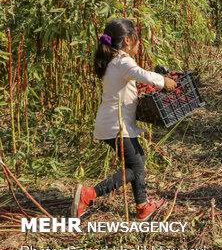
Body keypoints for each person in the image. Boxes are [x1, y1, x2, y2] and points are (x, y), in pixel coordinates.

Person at [71, 18, 177, 220]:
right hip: (116, 126)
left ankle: (142, 206)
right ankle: (89, 194)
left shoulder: (113, 60)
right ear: (127, 41)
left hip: (112, 124)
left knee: (136, 161)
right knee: (136, 166)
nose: (139, 43)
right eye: (137, 39)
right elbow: (140, 74)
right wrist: (163, 81)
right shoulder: (122, 61)